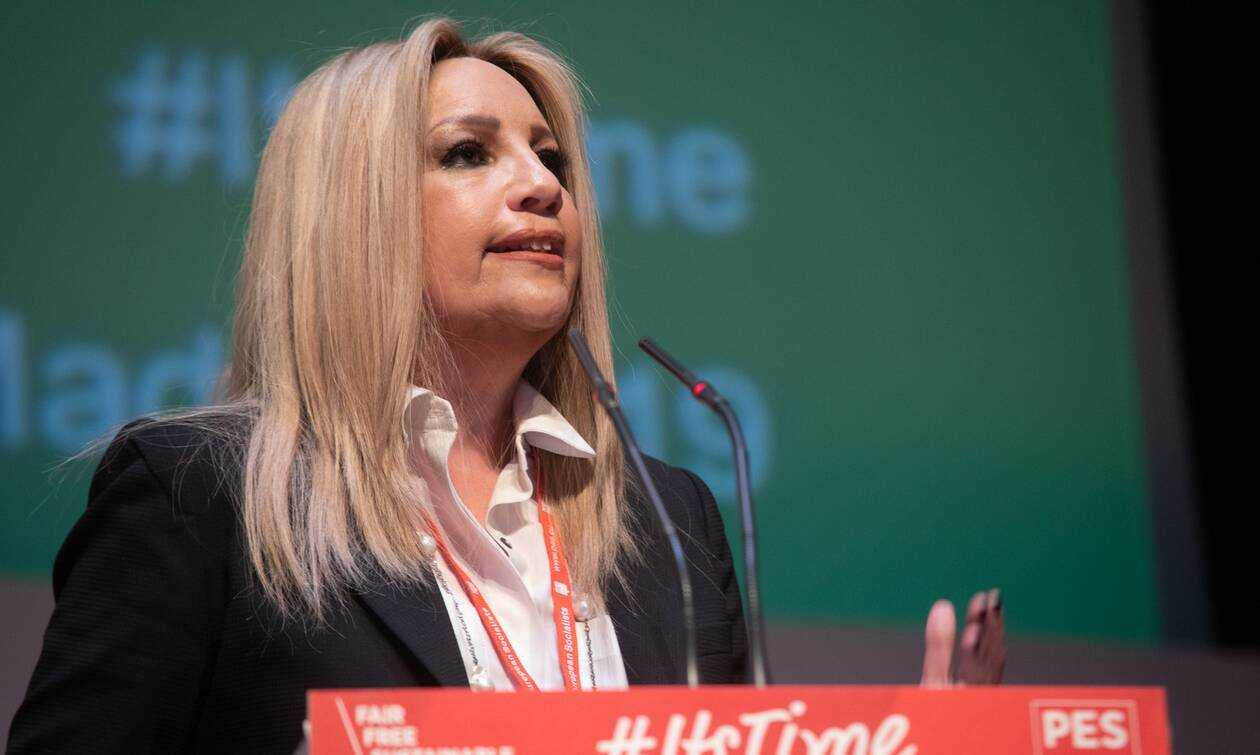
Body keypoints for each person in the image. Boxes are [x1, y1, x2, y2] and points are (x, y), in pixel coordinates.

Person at [8, 17, 1003, 753]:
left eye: (551, 157)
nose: (544, 186)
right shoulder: (200, 496)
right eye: (468, 153)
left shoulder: (671, 525)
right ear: (351, 214)